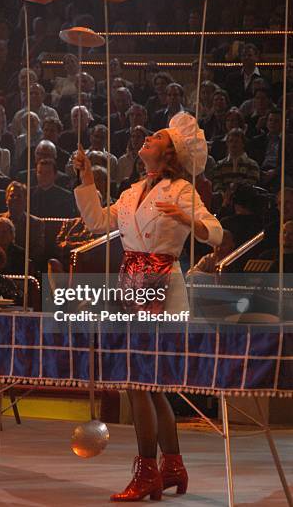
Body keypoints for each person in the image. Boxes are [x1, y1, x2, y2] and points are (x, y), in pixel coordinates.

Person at [73, 112, 222, 501]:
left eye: (156, 136)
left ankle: (146, 473)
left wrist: (189, 218)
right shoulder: (131, 190)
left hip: (164, 288)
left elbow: (216, 233)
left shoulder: (180, 190)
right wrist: (88, 179)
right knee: (150, 387)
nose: (146, 138)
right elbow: (96, 222)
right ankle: (171, 466)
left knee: (139, 382)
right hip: (132, 285)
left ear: (169, 151)